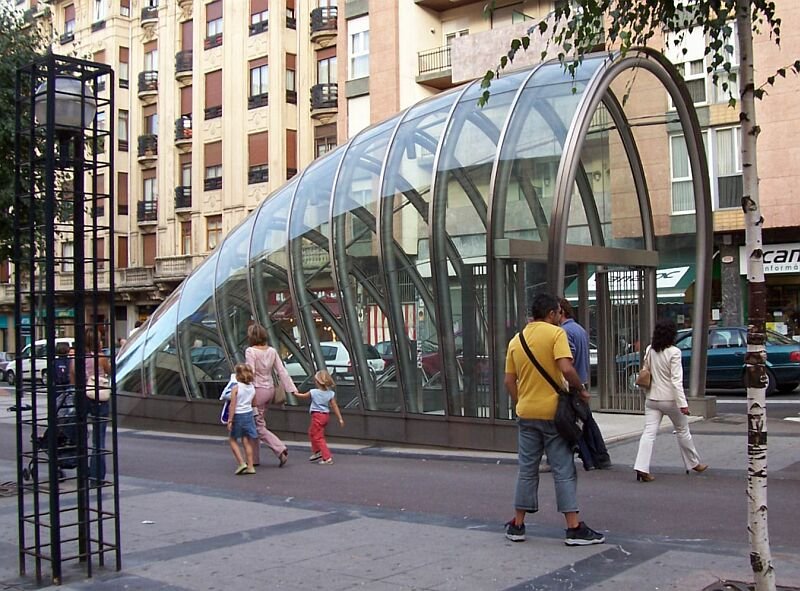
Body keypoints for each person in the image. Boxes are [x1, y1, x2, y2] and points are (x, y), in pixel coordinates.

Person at [504, 293, 605, 546]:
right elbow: (566, 367)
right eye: (559, 313)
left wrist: (522, 402)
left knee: (527, 469)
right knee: (563, 470)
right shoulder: (556, 334)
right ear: (551, 314)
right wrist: (580, 389)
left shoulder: (517, 340)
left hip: (527, 414)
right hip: (554, 415)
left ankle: (517, 524)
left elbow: (509, 380)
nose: (561, 317)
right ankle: (573, 527)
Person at [633, 319, 708, 482]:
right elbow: (676, 381)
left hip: (652, 398)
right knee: (682, 430)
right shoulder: (674, 352)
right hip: (670, 399)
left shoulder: (650, 350)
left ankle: (641, 467)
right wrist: (683, 404)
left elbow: (646, 370)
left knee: (649, 433)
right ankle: (693, 463)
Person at [559, 298, 611, 471]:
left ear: (561, 312)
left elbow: (568, 358)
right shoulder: (579, 329)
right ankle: (599, 457)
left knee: (574, 423)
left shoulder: (564, 332)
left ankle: (593, 457)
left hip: (572, 384)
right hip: (582, 379)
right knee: (585, 420)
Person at [245, 323, 295, 467]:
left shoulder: (250, 351)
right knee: (256, 423)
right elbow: (281, 370)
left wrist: (243, 388)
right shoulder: (272, 351)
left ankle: (280, 449)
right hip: (270, 389)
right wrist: (291, 388)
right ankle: (254, 459)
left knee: (257, 425)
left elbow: (251, 372)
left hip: (257, 391)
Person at [72, 328, 112, 484]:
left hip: (83, 397)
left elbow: (73, 376)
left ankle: (83, 472)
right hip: (99, 399)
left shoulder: (77, 357)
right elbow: (109, 371)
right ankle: (96, 477)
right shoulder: (101, 357)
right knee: (98, 440)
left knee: (81, 437)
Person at [293, 370, 344, 465]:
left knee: (318, 437)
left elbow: (303, 396)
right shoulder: (330, 393)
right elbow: (334, 406)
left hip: (317, 416)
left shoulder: (313, 392)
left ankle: (326, 457)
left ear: (317, 382)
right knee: (313, 432)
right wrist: (340, 418)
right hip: (325, 416)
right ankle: (317, 451)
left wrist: (295, 393)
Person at [226, 363, 258, 475]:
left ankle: (241, 463)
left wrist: (230, 419)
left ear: (238, 375)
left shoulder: (236, 388)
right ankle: (250, 466)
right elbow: (254, 403)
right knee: (246, 440)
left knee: (232, 439)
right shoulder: (252, 388)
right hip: (248, 414)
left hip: (238, 415)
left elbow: (232, 405)